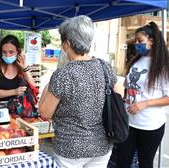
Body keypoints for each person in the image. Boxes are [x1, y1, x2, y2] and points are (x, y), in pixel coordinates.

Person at [39, 15, 124, 168]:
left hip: (70, 149)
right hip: (102, 146)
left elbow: (45, 112)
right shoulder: (104, 67)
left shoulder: (63, 74)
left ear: (67, 44)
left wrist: (49, 84)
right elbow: (120, 94)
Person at [116, 22, 169, 168]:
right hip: (129, 122)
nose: (136, 44)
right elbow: (129, 87)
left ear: (152, 41)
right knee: (122, 161)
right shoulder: (136, 61)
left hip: (150, 125)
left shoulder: (164, 66)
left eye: (140, 41)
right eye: (136, 41)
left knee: (145, 163)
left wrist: (145, 103)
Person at [0, 35, 36, 101]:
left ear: (18, 51)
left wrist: (24, 67)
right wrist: (14, 92)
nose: (7, 55)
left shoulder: (21, 64)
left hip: (15, 108)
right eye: (4, 52)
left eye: (11, 52)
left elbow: (33, 87)